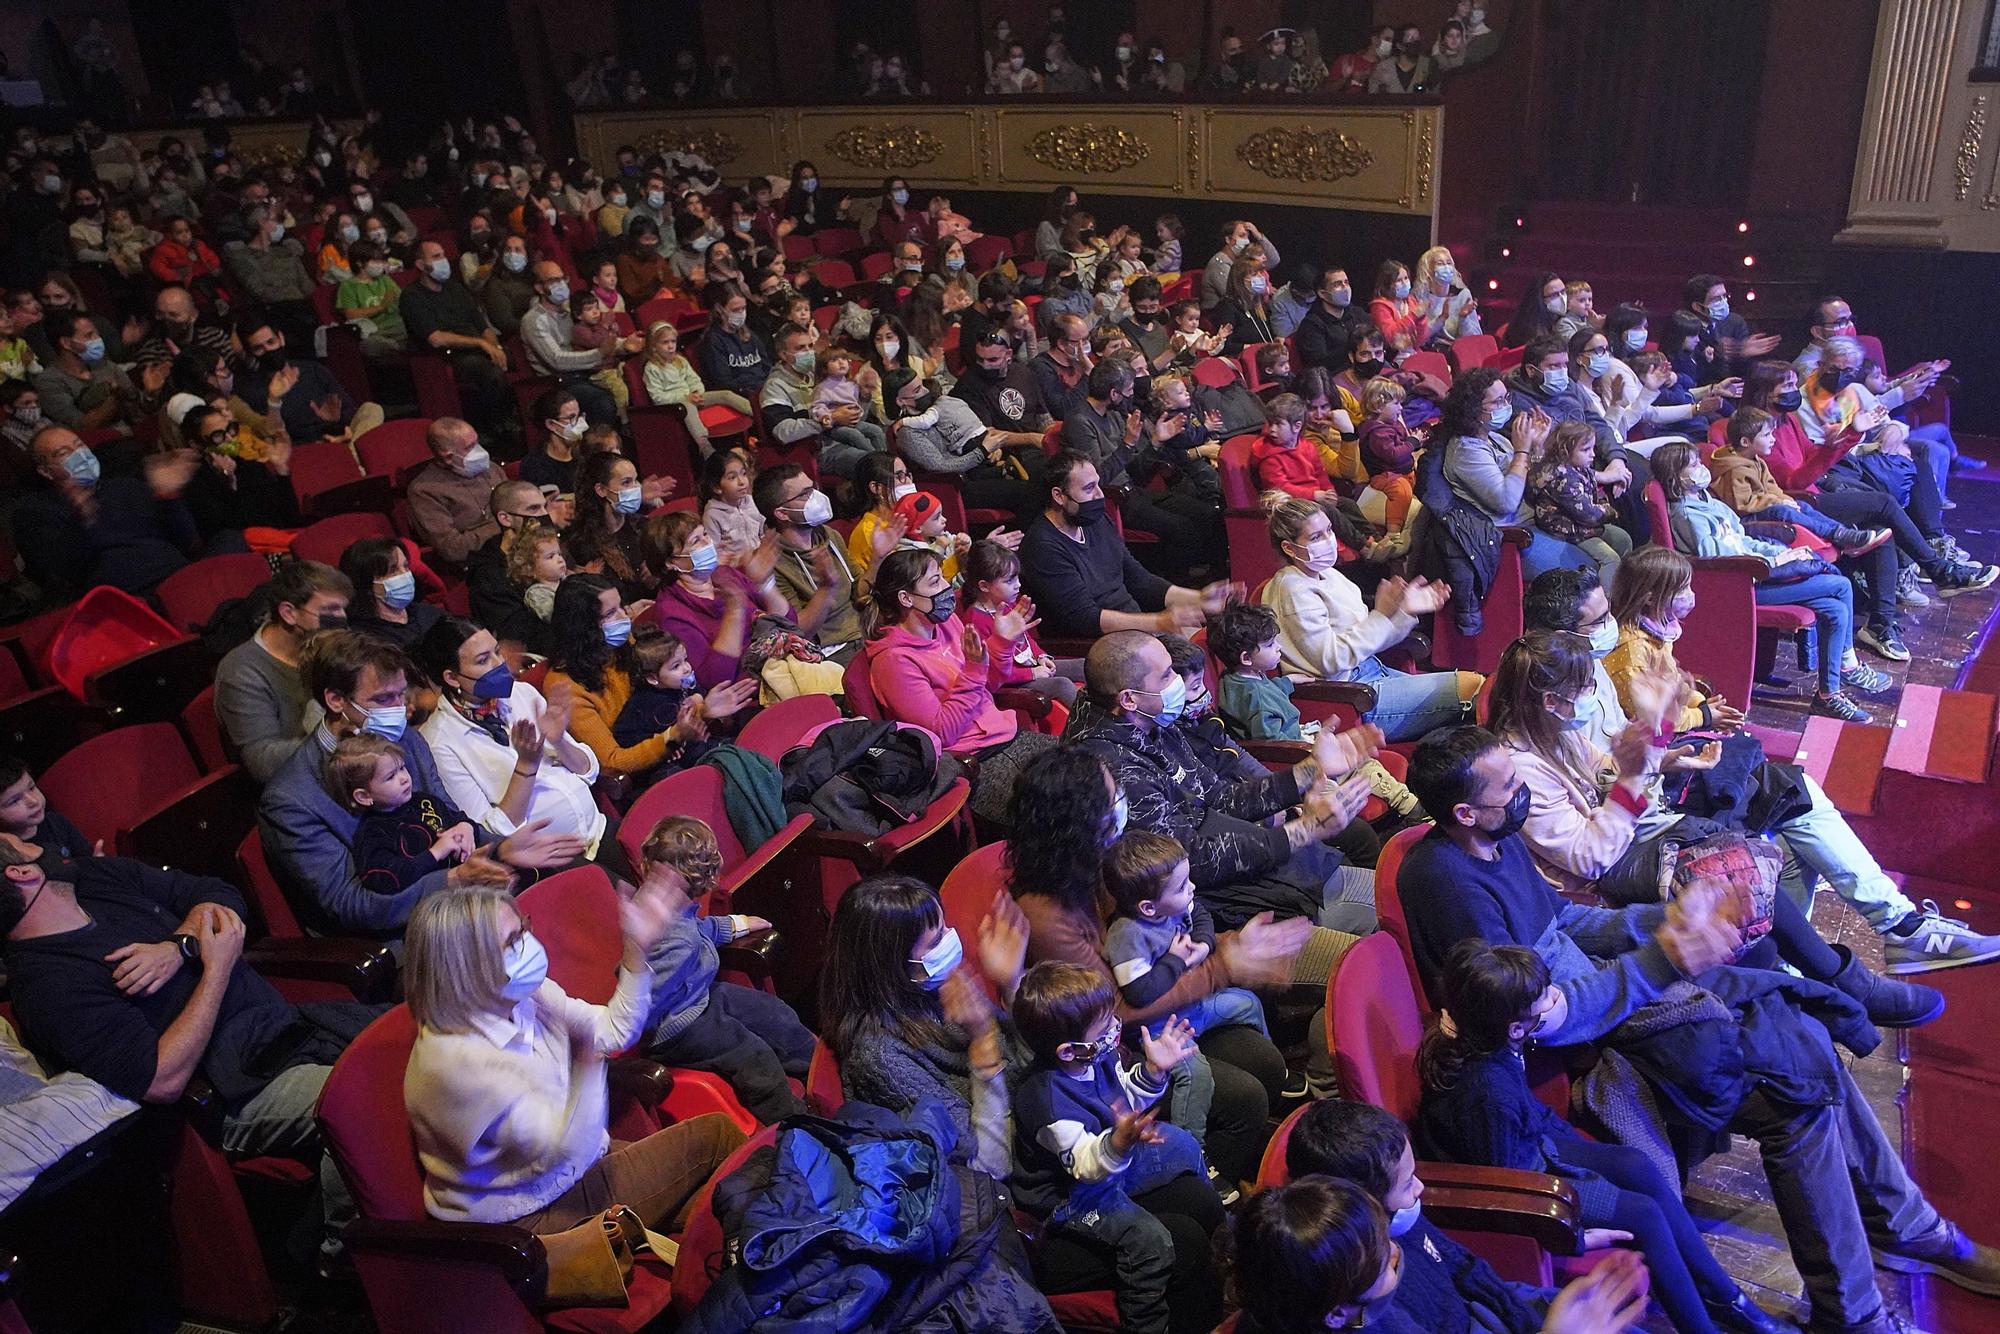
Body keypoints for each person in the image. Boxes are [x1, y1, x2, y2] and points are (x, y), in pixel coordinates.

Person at [1398, 725, 2000, 1334]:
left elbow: (1564, 922)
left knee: (1806, 1040)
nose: (1525, 791)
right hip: (1579, 1052)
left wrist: (1667, 918)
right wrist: (1665, 958)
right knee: (1791, 1099)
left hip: (1614, 1001)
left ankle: (1904, 1228)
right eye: (1511, 786)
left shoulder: (1495, 840)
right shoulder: (1446, 884)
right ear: (1465, 811)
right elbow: (1535, 1022)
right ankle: (1854, 1312)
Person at [1595, 553, 2000, 977]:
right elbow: (1651, 725)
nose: (1691, 598)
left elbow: (1675, 688)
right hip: (1662, 787)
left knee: (1794, 827)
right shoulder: (1626, 652)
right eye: (1681, 591)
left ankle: (1818, 954)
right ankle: (1899, 927)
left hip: (1671, 765)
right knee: (1793, 795)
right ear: (1649, 597)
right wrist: (1703, 718)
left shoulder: (1656, 634)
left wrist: (1698, 704)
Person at [0, 833, 375, 1269]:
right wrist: (214, 969)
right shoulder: (49, 984)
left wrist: (180, 948)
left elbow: (215, 892)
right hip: (232, 1093)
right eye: (26, 844)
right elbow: (161, 1079)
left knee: (432, 1041)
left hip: (284, 1026)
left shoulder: (97, 877)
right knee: (367, 1099)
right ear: (22, 872)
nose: (45, 842)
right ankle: (346, 1258)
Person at [1415, 940, 1787, 1334]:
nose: (1555, 997)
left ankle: (1727, 1300)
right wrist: (1574, 1234)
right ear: (1516, 1027)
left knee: (1635, 1163)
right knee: (1644, 1214)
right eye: (1543, 1002)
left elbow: (1531, 1118)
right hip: (1526, 1176)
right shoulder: (1488, 1094)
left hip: (1530, 1142)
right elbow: (1509, 1182)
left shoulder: (1485, 1044)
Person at [400, 881, 746, 1234]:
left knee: (719, 1206)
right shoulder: (456, 1065)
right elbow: (563, 1147)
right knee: (717, 1138)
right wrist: (587, 1062)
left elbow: (612, 1031)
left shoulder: (524, 994)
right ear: (465, 969)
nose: (529, 947)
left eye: (523, 929)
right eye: (512, 942)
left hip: (577, 1167)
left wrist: (636, 949)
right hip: (529, 1217)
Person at [1069, 629, 1381, 935]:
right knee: (1386, 914)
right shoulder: (1114, 768)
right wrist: (1306, 829)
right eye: (1166, 676)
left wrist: (1312, 769)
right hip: (1193, 903)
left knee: (1383, 892)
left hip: (1234, 851)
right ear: (1128, 698)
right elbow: (1187, 862)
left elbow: (1218, 795)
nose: (1177, 682)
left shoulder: (1148, 719)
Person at [1009, 961, 1222, 1334]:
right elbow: (1086, 1164)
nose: (1114, 1028)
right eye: (1104, 1024)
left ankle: (1224, 1245)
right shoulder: (1045, 1101)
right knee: (1149, 1242)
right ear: (1067, 1051)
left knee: (1184, 1144)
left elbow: (1124, 1099)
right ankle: (1147, 1324)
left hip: (1114, 1154)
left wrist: (1155, 1072)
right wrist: (1121, 1140)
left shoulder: (1097, 1056)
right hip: (1071, 1195)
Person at [1654, 442, 1888, 718]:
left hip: (1758, 572)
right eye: (1692, 465)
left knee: (1835, 609)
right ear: (1676, 477)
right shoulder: (1686, 515)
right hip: (1741, 586)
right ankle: (1848, 666)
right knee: (1840, 585)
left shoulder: (1707, 500)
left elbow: (1743, 539)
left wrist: (1780, 553)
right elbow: (1720, 558)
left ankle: (1828, 694)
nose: (1701, 468)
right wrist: (1775, 562)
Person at [1283, 1098, 1553, 1334]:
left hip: (1486, 1307)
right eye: (1407, 1182)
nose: (1420, 1188)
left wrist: (1528, 1321)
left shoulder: (1400, 1221)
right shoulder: (1363, 1290)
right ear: (1367, 1203)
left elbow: (1464, 1265)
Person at [632, 817, 811, 1122]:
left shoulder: (677, 912)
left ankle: (819, 1073)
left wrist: (738, 924)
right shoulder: (667, 933)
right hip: (674, 1027)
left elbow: (699, 928)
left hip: (698, 997)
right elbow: (641, 1003)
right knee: (753, 1056)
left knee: (775, 1014)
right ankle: (794, 1123)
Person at [860, 549, 1058, 824]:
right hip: (974, 762)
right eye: (934, 583)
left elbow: (989, 685)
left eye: (942, 578)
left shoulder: (947, 624)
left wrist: (1001, 643)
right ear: (906, 599)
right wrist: (974, 670)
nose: (946, 588)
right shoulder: (893, 661)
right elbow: (942, 732)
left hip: (1007, 735)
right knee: (1064, 810)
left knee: (1096, 772)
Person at [1259, 496, 1478, 740]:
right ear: (1289, 548)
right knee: (1473, 689)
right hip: (1350, 697)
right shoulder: (1292, 589)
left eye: (1329, 530)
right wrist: (1383, 615)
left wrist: (1405, 612)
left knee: (1483, 698)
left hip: (1373, 672)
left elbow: (1367, 639)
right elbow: (1331, 660)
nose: (1328, 540)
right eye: (1315, 537)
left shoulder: (1327, 574)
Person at [416, 617, 624, 876]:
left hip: (598, 828)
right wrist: (526, 765)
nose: (499, 664)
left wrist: (560, 742)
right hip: (550, 862)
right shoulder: (439, 743)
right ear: (452, 677)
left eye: (496, 652)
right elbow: (489, 832)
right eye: (483, 660)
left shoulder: (522, 693)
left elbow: (588, 772)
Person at [1710, 406, 1904, 656]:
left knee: (1798, 504)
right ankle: (1842, 535)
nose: (1773, 439)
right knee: (1787, 511)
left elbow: (1773, 487)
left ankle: (1841, 533)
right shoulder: (1735, 468)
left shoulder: (1754, 459)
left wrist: (1782, 498)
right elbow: (1742, 504)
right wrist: (1777, 502)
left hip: (1766, 507)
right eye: (1767, 436)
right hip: (1750, 521)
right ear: (1746, 441)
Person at [1019, 453, 1235, 640]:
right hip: (1099, 642)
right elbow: (1085, 619)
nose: (1100, 495)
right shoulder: (1043, 547)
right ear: (1059, 496)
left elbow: (1138, 579)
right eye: (1089, 489)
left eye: (1098, 484)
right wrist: (1159, 622)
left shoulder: (1095, 521)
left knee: (1223, 638)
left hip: (1135, 627)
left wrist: (1200, 598)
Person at [1439, 368, 1596, 581]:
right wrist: (1522, 450)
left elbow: (1531, 480)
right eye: (1497, 402)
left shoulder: (1494, 437)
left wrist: (1537, 447)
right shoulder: (1466, 451)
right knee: (1590, 570)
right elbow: (1507, 501)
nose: (1505, 406)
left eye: (1506, 398)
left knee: (1618, 540)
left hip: (1539, 516)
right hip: (1514, 534)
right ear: (1473, 409)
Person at [13, 424, 197, 600]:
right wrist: (83, 516)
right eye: (64, 453)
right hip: (130, 596)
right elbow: (64, 572)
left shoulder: (125, 486)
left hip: (179, 573)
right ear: (46, 472)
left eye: (79, 445)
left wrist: (167, 497)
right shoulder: (36, 510)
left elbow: (185, 540)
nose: (79, 455)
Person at [215, 559, 354, 784]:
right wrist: (339, 736)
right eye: (329, 610)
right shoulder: (242, 672)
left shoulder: (331, 645)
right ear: (289, 613)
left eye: (342, 609)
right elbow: (262, 762)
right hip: (297, 791)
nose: (341, 620)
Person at [643, 509, 793, 690]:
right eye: (696, 541)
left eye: (705, 534)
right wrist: (734, 611)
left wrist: (765, 584)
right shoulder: (671, 613)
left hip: (786, 664)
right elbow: (715, 680)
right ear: (671, 563)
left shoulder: (726, 575)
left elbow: (791, 624)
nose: (708, 543)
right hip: (752, 692)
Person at [755, 463, 881, 661]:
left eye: (813, 488)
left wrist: (878, 558)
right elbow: (798, 630)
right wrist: (826, 587)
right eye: (805, 494)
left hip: (868, 632)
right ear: (782, 513)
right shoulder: (770, 562)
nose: (815, 497)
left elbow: (859, 592)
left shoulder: (829, 535)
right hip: (833, 651)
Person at [329, 733, 479, 897]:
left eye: (402, 768)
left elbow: (457, 818)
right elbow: (385, 878)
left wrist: (466, 827)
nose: (404, 778)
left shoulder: (425, 801)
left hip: (469, 883)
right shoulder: (373, 832)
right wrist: (436, 853)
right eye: (390, 777)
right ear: (364, 796)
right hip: (434, 904)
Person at [399, 239, 514, 441]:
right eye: (436, 257)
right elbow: (435, 338)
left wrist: (495, 346)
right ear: (420, 265)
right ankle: (489, 427)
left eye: (443, 255)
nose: (443, 261)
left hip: (480, 348)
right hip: (447, 356)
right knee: (490, 373)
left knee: (514, 358)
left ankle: (513, 420)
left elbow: (482, 326)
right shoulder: (412, 296)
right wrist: (481, 343)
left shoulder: (456, 289)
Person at [962, 539, 1079, 705]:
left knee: (1086, 666)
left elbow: (1026, 640)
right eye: (1009, 580)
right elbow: (991, 672)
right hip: (1014, 680)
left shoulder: (1009, 605)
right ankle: (1093, 729)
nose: (1018, 585)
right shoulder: (974, 622)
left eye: (1017, 577)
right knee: (1062, 685)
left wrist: (1041, 656)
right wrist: (1032, 674)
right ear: (984, 586)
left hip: (1031, 666)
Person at [236, 316, 385, 447]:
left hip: (342, 434)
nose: (268, 350)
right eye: (259, 348)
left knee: (371, 410)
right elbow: (273, 437)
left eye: (271, 342)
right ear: (250, 353)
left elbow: (350, 409)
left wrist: (336, 421)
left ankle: (351, 455)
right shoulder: (251, 390)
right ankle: (352, 460)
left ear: (281, 338)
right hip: (306, 449)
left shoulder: (312, 369)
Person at [521, 261, 630, 425]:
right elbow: (557, 360)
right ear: (539, 287)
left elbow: (594, 339)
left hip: (586, 373)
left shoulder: (569, 314)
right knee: (603, 402)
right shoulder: (534, 320)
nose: (561, 284)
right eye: (553, 281)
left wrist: (626, 343)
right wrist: (600, 353)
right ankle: (598, 447)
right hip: (557, 383)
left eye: (562, 278)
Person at [465, 479, 560, 655]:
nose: (543, 515)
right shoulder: (488, 576)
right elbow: (521, 636)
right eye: (533, 509)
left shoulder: (550, 549)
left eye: (544, 507)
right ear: (505, 518)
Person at [1526, 420, 1630, 580]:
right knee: (1610, 559)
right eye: (1585, 449)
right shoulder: (1565, 480)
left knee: (1623, 539)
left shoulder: (1576, 468)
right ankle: (1606, 601)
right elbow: (1589, 515)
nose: (1593, 454)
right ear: (1566, 451)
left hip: (1579, 524)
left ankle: (1621, 585)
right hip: (1568, 530)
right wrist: (1611, 511)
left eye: (1593, 448)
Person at [33, 309, 159, 432]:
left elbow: (137, 414)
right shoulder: (49, 381)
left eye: (97, 334)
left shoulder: (105, 366)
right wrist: (114, 398)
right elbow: (81, 427)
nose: (98, 339)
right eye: (89, 335)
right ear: (66, 343)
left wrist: (150, 393)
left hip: (127, 434)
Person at [403, 417, 501, 569]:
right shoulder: (424, 491)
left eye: (477, 443)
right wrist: (505, 525)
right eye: (470, 447)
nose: (480, 451)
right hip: (480, 564)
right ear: (448, 457)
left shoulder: (491, 468)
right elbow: (452, 548)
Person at [1201, 221, 1279, 312]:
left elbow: (1274, 260)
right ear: (1228, 240)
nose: (1247, 241)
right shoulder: (1219, 264)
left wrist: (1258, 235)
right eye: (1242, 236)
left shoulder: (1243, 260)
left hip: (1243, 309)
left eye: (1248, 237)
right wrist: (1265, 290)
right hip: (1217, 313)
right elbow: (1234, 294)